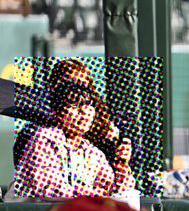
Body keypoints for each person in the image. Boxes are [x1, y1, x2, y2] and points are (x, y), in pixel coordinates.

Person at [5, 81, 133, 200]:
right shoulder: (44, 139)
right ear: (57, 113)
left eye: (88, 105)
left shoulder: (92, 152)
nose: (84, 112)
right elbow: (50, 190)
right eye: (74, 105)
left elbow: (118, 194)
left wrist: (121, 166)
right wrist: (98, 196)